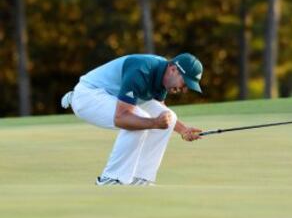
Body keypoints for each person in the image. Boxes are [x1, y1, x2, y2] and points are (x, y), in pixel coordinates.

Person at [61, 53, 203, 186]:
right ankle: (111, 178)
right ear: (173, 69)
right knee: (139, 119)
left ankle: (140, 178)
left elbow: (161, 111)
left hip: (113, 95)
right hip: (88, 95)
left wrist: (183, 130)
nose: (184, 89)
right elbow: (122, 118)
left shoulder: (164, 76)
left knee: (169, 116)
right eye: (185, 83)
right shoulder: (141, 70)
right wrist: (153, 123)